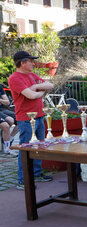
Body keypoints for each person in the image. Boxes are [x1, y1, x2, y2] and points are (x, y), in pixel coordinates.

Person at [8, 51, 54, 190]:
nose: (33, 63)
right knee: (25, 149)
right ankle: (22, 180)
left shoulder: (31, 75)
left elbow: (49, 85)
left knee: (38, 146)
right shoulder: (15, 78)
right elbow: (31, 96)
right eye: (30, 61)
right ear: (22, 63)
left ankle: (37, 174)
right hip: (26, 118)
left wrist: (35, 87)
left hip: (38, 115)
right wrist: (37, 91)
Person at [0, 86, 19, 155]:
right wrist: (2, 101)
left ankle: (10, 138)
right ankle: (7, 149)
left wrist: (1, 101)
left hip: (3, 110)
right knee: (8, 122)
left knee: (21, 119)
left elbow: (7, 102)